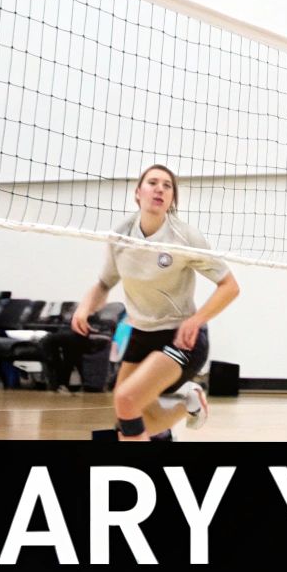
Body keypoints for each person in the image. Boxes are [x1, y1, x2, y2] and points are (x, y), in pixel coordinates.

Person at [65, 164, 239, 441]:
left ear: (172, 199)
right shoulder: (121, 236)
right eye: (153, 183)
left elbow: (230, 286)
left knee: (126, 399)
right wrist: (84, 308)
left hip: (181, 338)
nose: (159, 189)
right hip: (141, 335)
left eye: (167, 186)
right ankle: (188, 405)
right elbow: (104, 284)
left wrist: (197, 320)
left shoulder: (184, 237)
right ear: (138, 193)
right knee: (127, 421)